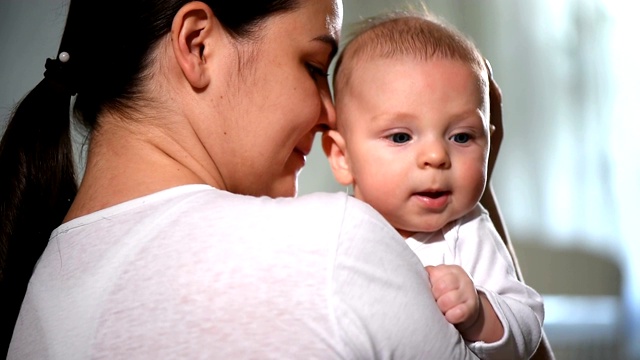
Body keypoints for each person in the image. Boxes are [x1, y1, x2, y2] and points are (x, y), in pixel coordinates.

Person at [0, 0, 494, 358]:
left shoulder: (37, 297)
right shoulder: (330, 244)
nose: (330, 114)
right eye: (314, 65)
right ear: (198, 45)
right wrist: (474, 179)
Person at [323, 10, 545, 359]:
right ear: (342, 156)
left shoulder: (466, 231)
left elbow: (527, 324)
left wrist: (479, 312)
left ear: (489, 140)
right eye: (400, 136)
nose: (436, 156)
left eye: (460, 136)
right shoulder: (331, 227)